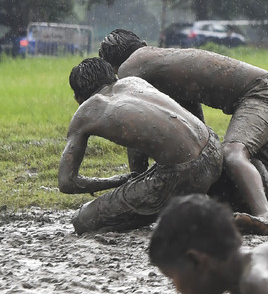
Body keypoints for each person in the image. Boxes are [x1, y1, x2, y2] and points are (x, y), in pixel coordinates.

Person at [99, 29, 268, 233]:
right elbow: (195, 129)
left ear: (113, 66)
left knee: (233, 153)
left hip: (261, 94)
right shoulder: (161, 63)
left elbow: (134, 127)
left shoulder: (130, 69)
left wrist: (136, 179)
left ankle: (266, 217)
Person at [58, 57, 223, 234]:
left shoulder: (85, 112)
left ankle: (179, 211)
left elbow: (67, 182)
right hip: (214, 148)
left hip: (184, 174)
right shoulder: (134, 82)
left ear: (78, 98)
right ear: (113, 77)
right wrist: (138, 179)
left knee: (82, 220)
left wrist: (117, 180)